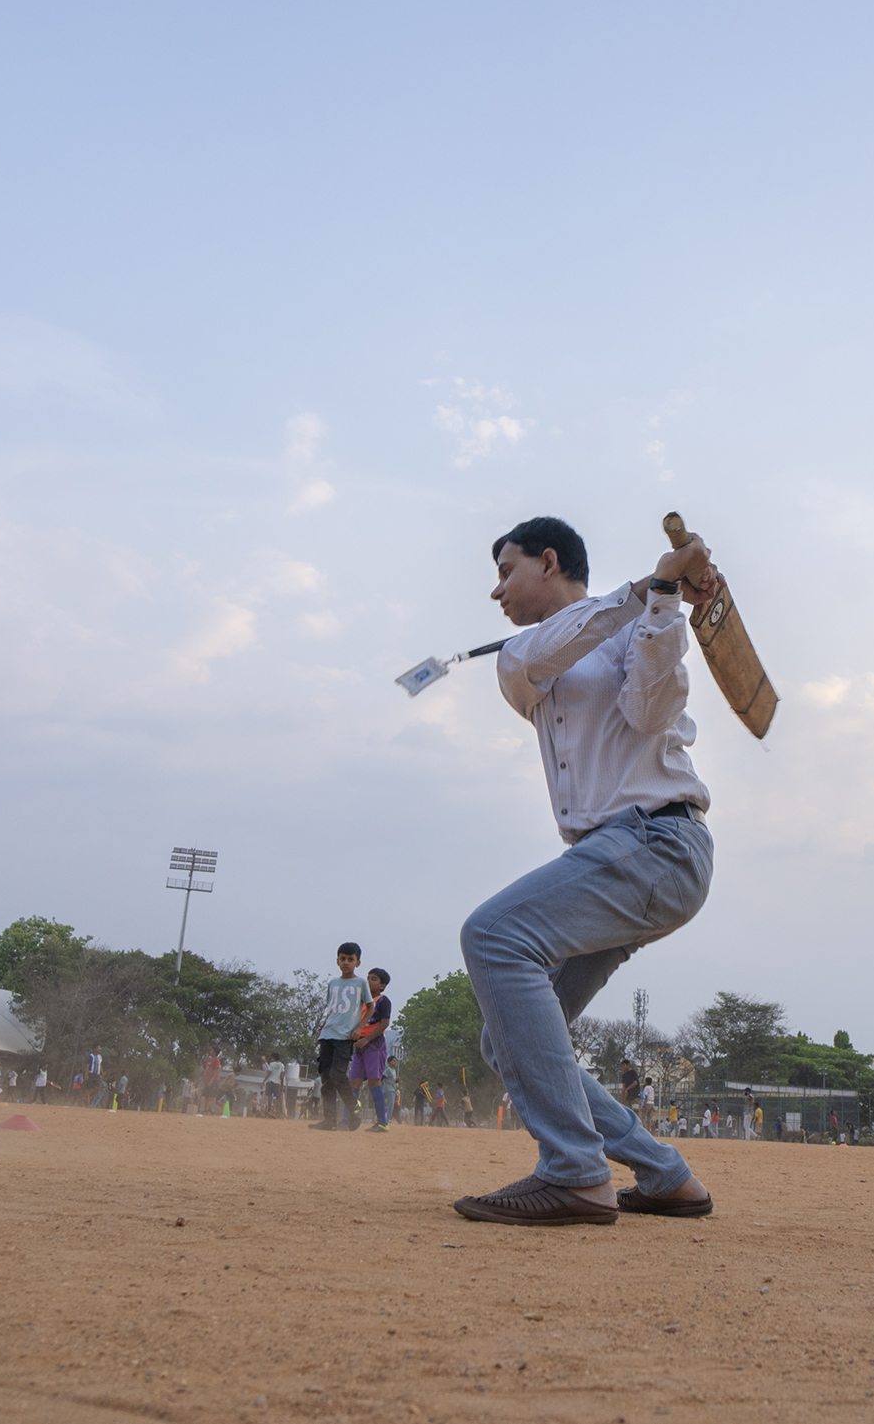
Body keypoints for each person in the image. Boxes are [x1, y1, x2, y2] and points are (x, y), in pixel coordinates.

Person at [450, 517, 719, 1226]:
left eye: (505, 572)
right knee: (505, 1038)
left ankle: (575, 1171)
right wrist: (653, 587)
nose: (496, 591)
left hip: (659, 842)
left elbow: (651, 710)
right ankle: (664, 1173)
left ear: (548, 561)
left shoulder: (642, 626)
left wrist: (664, 603)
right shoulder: (520, 657)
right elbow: (558, 643)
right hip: (615, 859)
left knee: (494, 936)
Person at [311, 943, 371, 1131]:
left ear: (357, 963)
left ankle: (353, 1106)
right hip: (328, 1034)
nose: (346, 962)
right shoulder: (332, 984)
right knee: (326, 1078)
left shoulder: (361, 983)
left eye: (350, 959)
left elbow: (370, 1008)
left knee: (338, 1074)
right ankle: (329, 1121)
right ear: (337, 961)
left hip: (345, 1036)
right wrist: (322, 1031)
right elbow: (331, 1010)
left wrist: (359, 1027)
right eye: (342, 959)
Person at [350, 968, 393, 1132]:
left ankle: (382, 1122)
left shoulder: (382, 1000)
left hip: (374, 1044)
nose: (368, 981)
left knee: (374, 1082)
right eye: (368, 978)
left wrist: (367, 1039)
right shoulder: (361, 1001)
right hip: (359, 1045)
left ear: (382, 985)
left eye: (373, 979)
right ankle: (348, 1119)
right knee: (354, 1081)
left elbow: (385, 1023)